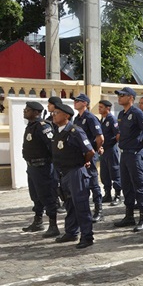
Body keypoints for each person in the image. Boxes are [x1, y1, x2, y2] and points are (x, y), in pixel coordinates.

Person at [50, 102, 96, 249]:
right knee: (69, 205)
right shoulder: (58, 131)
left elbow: (90, 151)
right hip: (63, 173)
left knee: (81, 205)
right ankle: (71, 232)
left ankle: (87, 236)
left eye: (56, 113)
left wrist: (83, 163)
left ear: (66, 116)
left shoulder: (75, 131)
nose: (54, 115)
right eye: (53, 113)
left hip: (76, 172)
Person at [113, 87, 143, 233]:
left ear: (130, 98)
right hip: (124, 154)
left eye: (122, 95)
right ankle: (129, 215)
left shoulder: (137, 113)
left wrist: (141, 145)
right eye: (119, 95)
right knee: (126, 185)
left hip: (135, 153)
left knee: (139, 185)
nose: (119, 97)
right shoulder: (121, 114)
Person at [21, 101, 59, 238]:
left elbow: (52, 147)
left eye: (28, 109)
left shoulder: (43, 127)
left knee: (47, 196)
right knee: (35, 195)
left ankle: (53, 225)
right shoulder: (31, 126)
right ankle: (38, 221)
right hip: (32, 167)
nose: (25, 111)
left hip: (43, 167)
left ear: (36, 112)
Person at [71, 93, 104, 223]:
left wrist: (95, 150)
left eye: (78, 101)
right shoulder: (77, 119)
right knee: (83, 183)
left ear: (85, 103)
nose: (75, 103)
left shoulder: (90, 118)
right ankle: (86, 210)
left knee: (93, 182)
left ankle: (99, 210)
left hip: (89, 154)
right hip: (80, 155)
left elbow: (100, 137)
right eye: (75, 101)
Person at [97, 100, 122, 207]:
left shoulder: (112, 119)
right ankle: (107, 194)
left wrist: (112, 144)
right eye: (99, 107)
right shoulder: (102, 120)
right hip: (104, 151)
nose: (99, 109)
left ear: (108, 108)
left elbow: (118, 135)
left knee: (115, 172)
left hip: (111, 149)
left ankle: (117, 195)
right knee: (104, 173)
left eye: (101, 107)